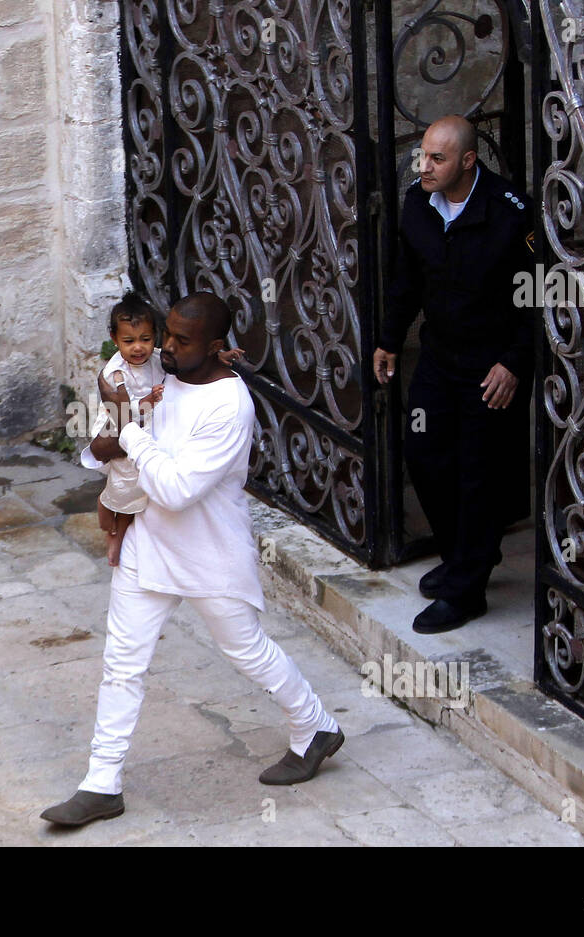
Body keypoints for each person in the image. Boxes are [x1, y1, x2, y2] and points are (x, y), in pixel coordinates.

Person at [41, 292, 343, 828]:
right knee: (122, 663)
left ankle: (314, 724)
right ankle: (101, 783)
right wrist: (114, 474)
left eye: (181, 340)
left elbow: (178, 487)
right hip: (149, 542)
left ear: (216, 347)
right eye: (168, 335)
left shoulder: (230, 406)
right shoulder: (167, 373)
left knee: (246, 649)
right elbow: (115, 434)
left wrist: (130, 434)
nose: (166, 348)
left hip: (210, 551)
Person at [375, 115, 536, 635]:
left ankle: (467, 589)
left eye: (437, 158)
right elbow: (407, 279)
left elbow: (543, 298)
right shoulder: (418, 204)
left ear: (468, 161)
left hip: (491, 368)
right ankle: (467, 553)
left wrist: (515, 362)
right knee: (424, 455)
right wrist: (389, 339)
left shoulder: (510, 213)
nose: (424, 166)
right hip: (441, 361)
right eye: (423, 155)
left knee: (477, 475)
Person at [94, 293, 165, 567]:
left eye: (145, 339)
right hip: (120, 429)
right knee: (127, 483)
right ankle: (111, 524)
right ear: (114, 339)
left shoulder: (158, 359)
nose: (138, 348)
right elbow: (119, 410)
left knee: (144, 486)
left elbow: (186, 363)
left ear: (155, 337)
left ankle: (123, 532)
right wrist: (144, 403)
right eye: (129, 341)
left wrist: (218, 356)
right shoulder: (115, 372)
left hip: (150, 427)